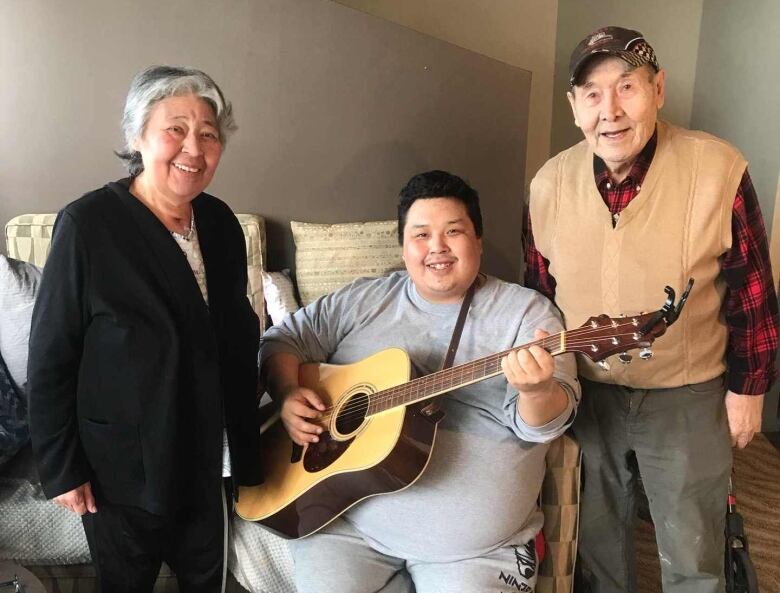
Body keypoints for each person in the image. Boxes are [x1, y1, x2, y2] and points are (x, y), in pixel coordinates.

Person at [525, 26, 779, 593]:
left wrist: (749, 390)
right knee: (596, 540)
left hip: (687, 388)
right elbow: (537, 295)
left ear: (658, 88)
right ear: (573, 106)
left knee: (693, 542)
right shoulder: (547, 186)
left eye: (628, 87)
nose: (609, 111)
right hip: (588, 391)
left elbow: (752, 292)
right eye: (592, 93)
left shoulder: (719, 170)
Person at [260, 170, 580, 593]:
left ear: (478, 240)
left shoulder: (526, 314)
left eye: (454, 232)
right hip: (347, 525)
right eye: (421, 234)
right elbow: (283, 339)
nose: (437, 248)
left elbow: (547, 424)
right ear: (403, 246)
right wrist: (285, 394)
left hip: (474, 551)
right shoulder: (364, 299)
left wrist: (537, 390)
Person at [28, 66, 264, 593]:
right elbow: (50, 353)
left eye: (208, 133)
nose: (194, 147)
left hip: (208, 458)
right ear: (137, 136)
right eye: (175, 129)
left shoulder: (222, 224)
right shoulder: (88, 225)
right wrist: (62, 467)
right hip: (124, 469)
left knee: (207, 581)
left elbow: (236, 329)